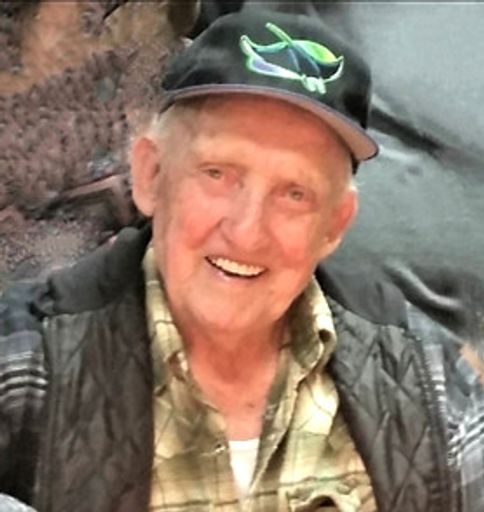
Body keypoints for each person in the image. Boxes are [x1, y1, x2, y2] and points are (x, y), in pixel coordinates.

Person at [1, 9, 483, 512]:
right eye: (217, 174)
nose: (247, 231)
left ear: (335, 225)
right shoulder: (26, 363)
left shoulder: (429, 384)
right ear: (151, 176)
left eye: (294, 194)